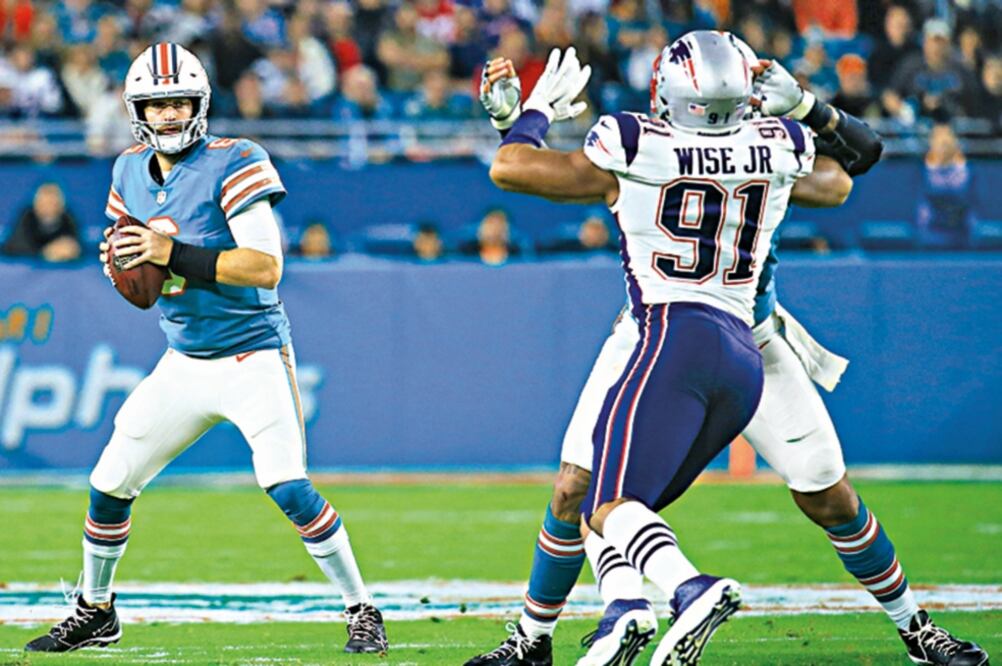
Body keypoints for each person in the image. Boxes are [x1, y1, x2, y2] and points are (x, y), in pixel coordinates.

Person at [469, 36, 985, 666]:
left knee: (817, 493)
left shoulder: (635, 143)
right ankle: (545, 636)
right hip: (716, 336)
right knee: (583, 484)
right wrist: (809, 107)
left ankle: (908, 627)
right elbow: (848, 174)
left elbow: (515, 169)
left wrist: (520, 118)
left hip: (690, 330)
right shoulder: (775, 144)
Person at [23, 43, 388, 657]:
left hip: (252, 354)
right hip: (185, 358)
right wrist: (131, 267)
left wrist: (174, 257)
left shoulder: (237, 159)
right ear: (137, 108)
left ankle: (362, 608)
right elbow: (133, 265)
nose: (168, 115)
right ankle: (95, 609)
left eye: (179, 102)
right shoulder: (127, 171)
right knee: (109, 482)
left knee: (287, 485)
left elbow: (265, 266)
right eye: (156, 103)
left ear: (201, 104)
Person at [2, 182, 81, 262]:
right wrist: (46, 252)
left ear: (61, 205)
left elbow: (76, 247)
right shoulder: (27, 218)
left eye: (52, 202)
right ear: (36, 204)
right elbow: (15, 247)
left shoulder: (68, 219)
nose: (48, 206)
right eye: (44, 201)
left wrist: (71, 251)